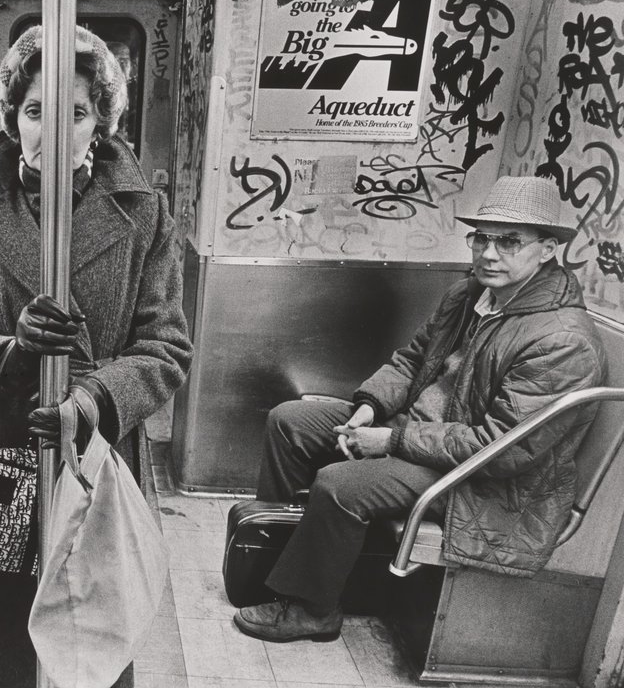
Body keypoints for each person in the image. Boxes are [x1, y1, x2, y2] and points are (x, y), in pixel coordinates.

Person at [0, 25, 193, 688]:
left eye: (74, 112)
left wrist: (93, 398)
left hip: (93, 451)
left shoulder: (145, 215)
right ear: (13, 118)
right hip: (0, 453)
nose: (55, 130)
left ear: (100, 118)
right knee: (4, 664)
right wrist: (10, 348)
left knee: (88, 644)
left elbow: (165, 346)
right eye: (37, 111)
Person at [234, 175, 608, 643]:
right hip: (418, 433)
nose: (489, 254)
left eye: (510, 242)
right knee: (290, 422)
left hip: (484, 478)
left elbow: (502, 448)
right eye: (482, 239)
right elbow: (413, 361)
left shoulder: (562, 341)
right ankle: (289, 560)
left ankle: (314, 608)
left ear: (548, 249)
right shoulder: (469, 295)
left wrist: (390, 441)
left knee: (340, 484)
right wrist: (370, 407)